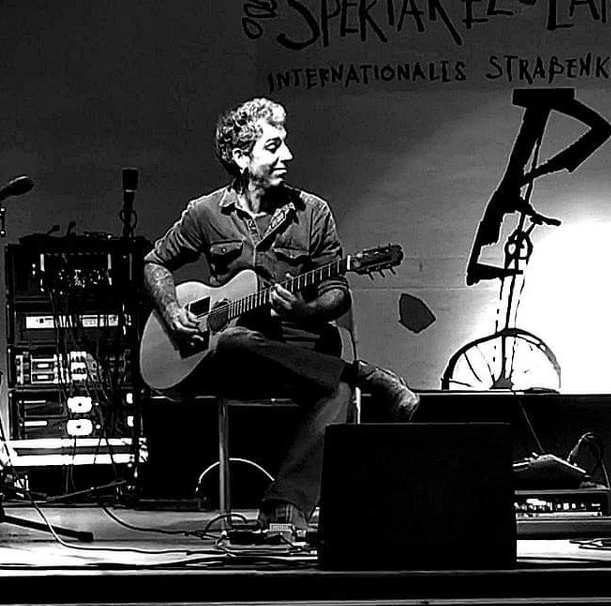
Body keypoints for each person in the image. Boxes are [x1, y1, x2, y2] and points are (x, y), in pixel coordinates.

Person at [143, 97, 419, 533]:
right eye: (273, 146)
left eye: (284, 144)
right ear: (240, 157)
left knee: (337, 395)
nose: (287, 156)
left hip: (296, 354)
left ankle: (284, 507)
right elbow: (154, 262)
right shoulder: (205, 213)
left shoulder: (313, 213)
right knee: (236, 340)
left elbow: (337, 292)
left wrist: (308, 309)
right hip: (231, 360)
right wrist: (173, 308)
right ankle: (362, 373)